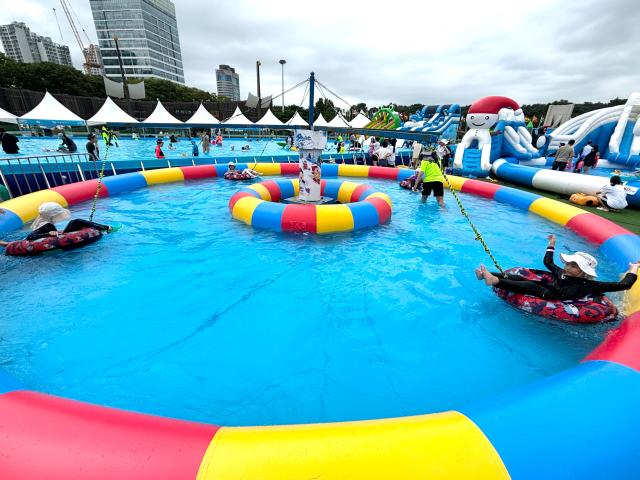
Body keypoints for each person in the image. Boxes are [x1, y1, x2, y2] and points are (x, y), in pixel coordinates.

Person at [475, 234, 639, 300]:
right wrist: (551, 244)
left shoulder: (592, 285)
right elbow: (548, 263)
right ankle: (488, 275)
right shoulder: (562, 273)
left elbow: (624, 285)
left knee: (530, 285)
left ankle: (495, 280)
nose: (567, 267)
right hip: (551, 288)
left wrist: (633, 269)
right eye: (568, 263)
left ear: (583, 271)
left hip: (557, 297)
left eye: (573, 265)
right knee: (522, 278)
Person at [0, 201, 113, 247]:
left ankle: (106, 228)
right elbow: (31, 237)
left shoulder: (46, 223)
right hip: (48, 239)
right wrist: (48, 233)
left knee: (75, 222)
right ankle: (107, 228)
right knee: (77, 221)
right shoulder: (46, 225)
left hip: (56, 237)